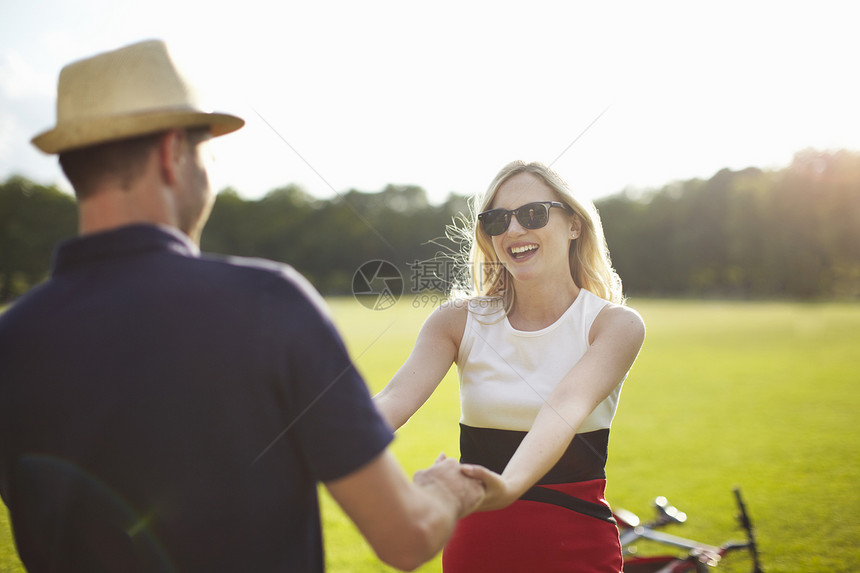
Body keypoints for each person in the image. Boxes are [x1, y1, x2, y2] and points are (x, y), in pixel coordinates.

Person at [0, 39, 486, 572]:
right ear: (172, 153)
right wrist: (444, 491)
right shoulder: (267, 302)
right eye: (208, 150)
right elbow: (406, 538)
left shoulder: (13, 337)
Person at [374, 160, 646, 572]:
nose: (514, 230)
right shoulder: (455, 320)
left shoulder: (615, 325)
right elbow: (392, 400)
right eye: (498, 220)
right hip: (477, 546)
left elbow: (565, 406)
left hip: (577, 547)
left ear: (574, 224)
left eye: (533, 213)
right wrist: (303, 443)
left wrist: (509, 487)